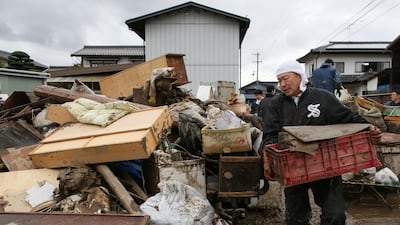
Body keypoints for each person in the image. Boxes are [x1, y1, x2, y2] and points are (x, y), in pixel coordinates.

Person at [262, 59, 381, 225]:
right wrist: (269, 157)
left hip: (325, 164)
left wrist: (369, 127)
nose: (282, 84)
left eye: (285, 78)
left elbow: (349, 118)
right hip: (293, 167)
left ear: (299, 76)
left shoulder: (323, 97)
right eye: (279, 80)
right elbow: (270, 134)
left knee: (335, 215)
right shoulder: (276, 104)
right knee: (296, 218)